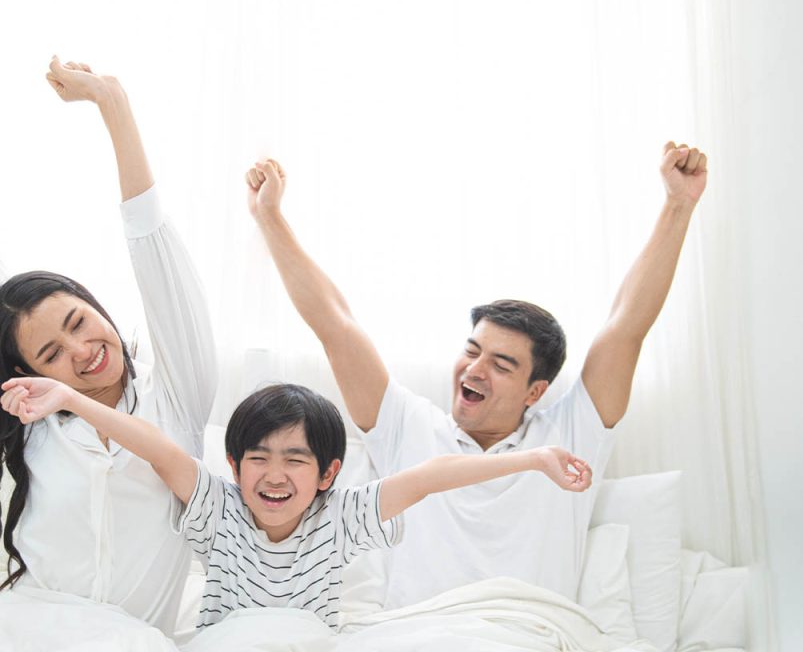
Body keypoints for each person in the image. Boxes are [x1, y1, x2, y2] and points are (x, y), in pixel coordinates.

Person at [244, 144, 708, 608]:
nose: (475, 370)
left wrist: (677, 205)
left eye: (502, 365)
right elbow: (336, 326)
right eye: (472, 351)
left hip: (528, 635)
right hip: (419, 635)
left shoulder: (569, 436)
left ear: (537, 390)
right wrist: (270, 218)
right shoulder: (409, 426)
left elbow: (626, 327)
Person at [0, 57, 218, 634]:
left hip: (132, 640)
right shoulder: (34, 412)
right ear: (28, 371)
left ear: (98, 307)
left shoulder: (177, 399)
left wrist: (112, 105)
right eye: (51, 354)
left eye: (79, 321)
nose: (81, 349)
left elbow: (154, 248)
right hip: (28, 629)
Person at [0, 376, 591, 630]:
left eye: (296, 459)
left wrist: (533, 460)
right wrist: (70, 397)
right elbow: (155, 447)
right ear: (234, 465)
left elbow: (431, 475)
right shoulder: (218, 510)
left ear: (329, 473)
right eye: (259, 456)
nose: (274, 475)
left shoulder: (341, 518)